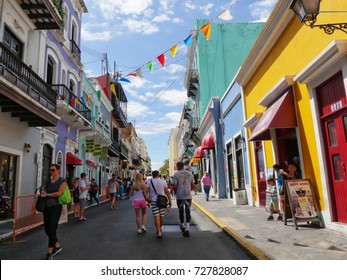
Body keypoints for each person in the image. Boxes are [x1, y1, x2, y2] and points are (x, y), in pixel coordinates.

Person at [40, 164, 67, 260]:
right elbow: (44, 189)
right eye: (50, 170)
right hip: (47, 207)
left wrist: (47, 194)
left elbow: (59, 193)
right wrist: (43, 191)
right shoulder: (48, 181)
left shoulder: (62, 180)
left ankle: (50, 253)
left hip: (56, 208)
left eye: (53, 170)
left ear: (58, 170)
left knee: (52, 229)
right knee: (47, 230)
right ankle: (57, 245)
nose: (51, 172)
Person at [172, 161, 196, 237]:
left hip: (179, 196)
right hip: (188, 196)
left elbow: (174, 186)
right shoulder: (190, 174)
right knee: (188, 211)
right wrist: (189, 190)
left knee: (181, 211)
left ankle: (182, 225)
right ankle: (187, 228)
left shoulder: (176, 174)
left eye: (177, 166)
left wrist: (175, 191)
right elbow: (193, 185)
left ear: (179, 166)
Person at [148, 170, 172, 239]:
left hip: (154, 201)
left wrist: (147, 199)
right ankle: (160, 229)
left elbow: (144, 189)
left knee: (156, 216)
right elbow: (167, 192)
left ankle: (158, 231)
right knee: (161, 216)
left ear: (152, 175)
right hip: (162, 201)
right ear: (159, 175)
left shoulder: (150, 181)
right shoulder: (163, 181)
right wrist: (170, 201)